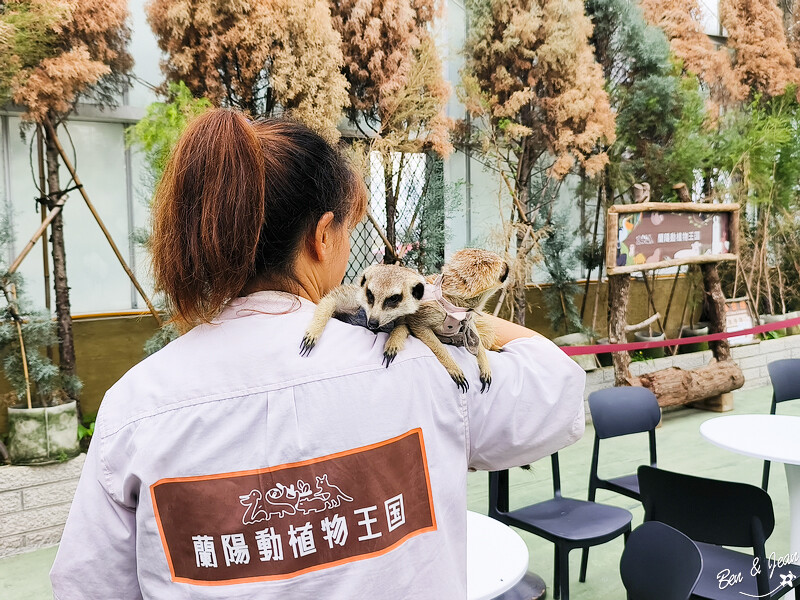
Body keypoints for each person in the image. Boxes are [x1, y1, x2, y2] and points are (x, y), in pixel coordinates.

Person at [50, 109, 586, 599]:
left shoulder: (135, 407)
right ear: (323, 237)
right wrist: (456, 313)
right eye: (349, 230)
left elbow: (88, 585)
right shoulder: (424, 372)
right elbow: (559, 390)